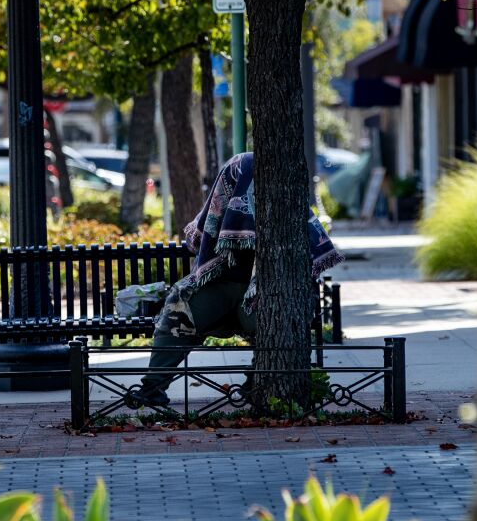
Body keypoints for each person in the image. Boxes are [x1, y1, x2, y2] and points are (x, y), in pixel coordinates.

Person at [131, 152, 344, 407]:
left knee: (276, 316)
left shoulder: (288, 206)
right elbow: (199, 238)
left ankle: (257, 384)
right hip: (222, 288)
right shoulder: (235, 199)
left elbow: (313, 258)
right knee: (180, 305)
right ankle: (153, 386)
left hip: (265, 296)